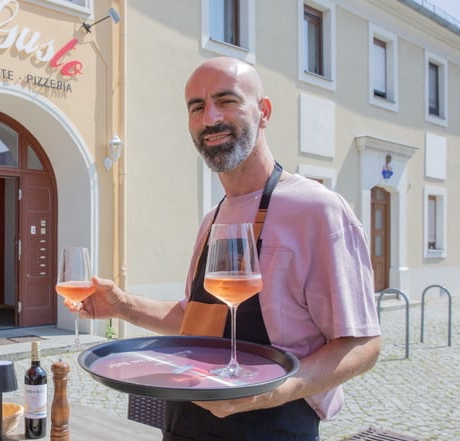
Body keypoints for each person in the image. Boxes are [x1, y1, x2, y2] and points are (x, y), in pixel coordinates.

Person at [67, 57, 381, 440]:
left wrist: (273, 393)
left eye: (226, 100)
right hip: (184, 424)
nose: (209, 118)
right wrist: (121, 305)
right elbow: (196, 319)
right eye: (196, 107)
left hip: (271, 426)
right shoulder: (213, 218)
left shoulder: (318, 210)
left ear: (263, 112)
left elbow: (363, 344)